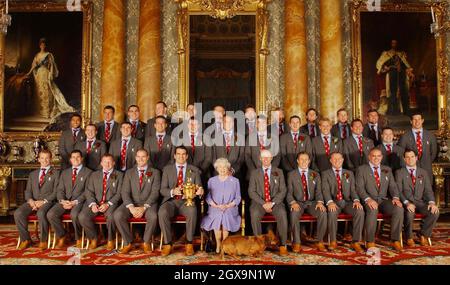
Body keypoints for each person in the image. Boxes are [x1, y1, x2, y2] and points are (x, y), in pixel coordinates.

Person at [158, 146, 204, 256]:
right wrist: (173, 191)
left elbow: (199, 187)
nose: (181, 156)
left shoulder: (194, 170)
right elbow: (162, 190)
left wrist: (201, 191)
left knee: (192, 210)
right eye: (178, 154)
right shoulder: (167, 169)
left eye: (183, 154)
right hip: (171, 201)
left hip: (186, 202)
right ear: (174, 156)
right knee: (162, 212)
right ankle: (168, 243)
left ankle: (189, 243)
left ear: (187, 156)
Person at [356, 148, 404, 252]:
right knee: (373, 210)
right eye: (374, 156)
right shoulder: (362, 169)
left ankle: (395, 239)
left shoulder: (387, 169)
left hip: (383, 200)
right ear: (369, 157)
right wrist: (368, 199)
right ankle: (370, 241)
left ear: (382, 157)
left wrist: (396, 198)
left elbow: (393, 186)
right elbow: (359, 188)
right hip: (369, 199)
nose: (376, 158)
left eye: (378, 156)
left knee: (399, 209)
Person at [114, 149, 161, 254]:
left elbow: (155, 193)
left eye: (143, 156)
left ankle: (146, 242)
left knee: (153, 216)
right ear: (135, 158)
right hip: (132, 203)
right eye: (138, 157)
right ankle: (128, 242)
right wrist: (131, 207)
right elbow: (124, 192)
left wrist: (144, 207)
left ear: (148, 157)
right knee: (118, 215)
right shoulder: (129, 173)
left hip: (148, 204)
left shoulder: (155, 172)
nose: (141, 159)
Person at [15, 150, 60, 250]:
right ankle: (26, 239)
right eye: (42, 158)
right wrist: (31, 201)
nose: (45, 160)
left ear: (51, 159)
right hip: (33, 201)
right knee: (18, 213)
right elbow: (28, 191)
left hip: (48, 202)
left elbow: (56, 192)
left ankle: (43, 240)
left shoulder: (56, 173)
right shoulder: (33, 174)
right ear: (38, 159)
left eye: (47, 158)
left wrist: (43, 201)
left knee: (41, 213)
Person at [47, 150, 92, 249]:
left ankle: (79, 237)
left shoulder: (88, 172)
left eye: (78, 157)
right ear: (70, 160)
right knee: (51, 214)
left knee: (74, 214)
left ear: (82, 159)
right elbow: (60, 189)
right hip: (65, 201)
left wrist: (74, 202)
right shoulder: (64, 173)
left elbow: (87, 191)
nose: (75, 159)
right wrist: (62, 200)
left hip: (79, 202)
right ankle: (62, 235)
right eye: (73, 157)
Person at [321, 152, 364, 253]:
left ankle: (356, 241)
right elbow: (325, 190)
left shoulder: (349, 173)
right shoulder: (325, 173)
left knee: (360, 211)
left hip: (347, 202)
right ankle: (333, 240)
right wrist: (330, 202)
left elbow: (353, 190)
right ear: (330, 161)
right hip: (334, 202)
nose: (337, 161)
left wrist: (357, 200)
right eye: (334, 159)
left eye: (339, 159)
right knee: (331, 212)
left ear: (343, 160)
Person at [395, 149, 439, 247]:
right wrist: (406, 203)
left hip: (420, 202)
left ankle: (423, 234)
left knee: (434, 212)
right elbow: (398, 191)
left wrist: (432, 202)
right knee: (410, 213)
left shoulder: (423, 172)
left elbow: (428, 190)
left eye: (412, 157)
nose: (410, 159)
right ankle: (409, 237)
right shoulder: (399, 172)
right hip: (406, 203)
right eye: (407, 157)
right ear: (404, 159)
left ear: (416, 158)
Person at [79, 154, 123, 250]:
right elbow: (89, 191)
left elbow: (120, 193)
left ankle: (111, 239)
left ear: (114, 163)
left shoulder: (120, 175)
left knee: (111, 217)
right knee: (82, 216)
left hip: (110, 203)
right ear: (101, 163)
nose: (107, 164)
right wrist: (93, 204)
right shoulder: (94, 175)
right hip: (95, 203)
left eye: (109, 162)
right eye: (105, 162)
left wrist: (108, 204)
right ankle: (94, 238)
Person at [248, 150, 288, 255]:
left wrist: (272, 203)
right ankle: (258, 244)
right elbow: (251, 191)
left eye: (268, 157)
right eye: (263, 157)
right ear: (260, 159)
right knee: (254, 213)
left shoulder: (279, 172)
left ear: (271, 158)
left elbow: (283, 190)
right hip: (259, 203)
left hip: (275, 202)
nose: (266, 159)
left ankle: (283, 245)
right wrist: (263, 203)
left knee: (282, 214)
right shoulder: (254, 173)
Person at [26, 38, 76, 122]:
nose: (43, 46)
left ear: (45, 46)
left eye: (44, 45)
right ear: (39, 46)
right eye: (41, 45)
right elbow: (33, 66)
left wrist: (50, 74)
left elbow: (52, 66)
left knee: (47, 92)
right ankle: (40, 112)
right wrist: (29, 73)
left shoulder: (48, 55)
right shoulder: (37, 55)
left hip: (46, 74)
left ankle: (47, 112)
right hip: (39, 75)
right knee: (39, 92)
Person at [286, 152, 327, 252]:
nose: (304, 161)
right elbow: (288, 193)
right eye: (301, 159)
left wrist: (320, 202)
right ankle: (296, 242)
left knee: (323, 212)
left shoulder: (315, 174)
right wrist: (293, 202)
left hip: (312, 202)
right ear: (297, 161)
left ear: (309, 161)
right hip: (298, 202)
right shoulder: (291, 174)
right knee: (294, 213)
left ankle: (319, 241)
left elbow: (319, 192)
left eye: (306, 159)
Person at [201, 158, 242, 253]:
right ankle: (219, 244)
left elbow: (238, 198)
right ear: (217, 168)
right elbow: (208, 197)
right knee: (218, 216)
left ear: (228, 168)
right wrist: (216, 206)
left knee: (226, 216)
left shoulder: (235, 181)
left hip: (230, 208)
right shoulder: (211, 180)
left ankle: (225, 244)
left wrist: (227, 206)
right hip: (215, 208)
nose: (222, 169)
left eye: (225, 167)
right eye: (220, 167)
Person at [376, 39, 415, 115]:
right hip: (391, 74)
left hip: (401, 74)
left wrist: (410, 73)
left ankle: (405, 110)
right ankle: (393, 111)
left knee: (404, 92)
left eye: (395, 43)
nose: (394, 45)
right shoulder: (386, 54)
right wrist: (385, 67)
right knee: (392, 92)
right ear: (390, 44)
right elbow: (380, 64)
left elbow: (406, 65)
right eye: (393, 43)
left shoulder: (401, 54)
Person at [398, 112, 437, 181]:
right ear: (411, 121)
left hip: (427, 170)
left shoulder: (430, 136)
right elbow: (401, 154)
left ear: (422, 120)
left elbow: (433, 153)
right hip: (411, 171)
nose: (417, 122)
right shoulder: (404, 137)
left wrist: (426, 162)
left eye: (419, 119)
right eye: (414, 120)